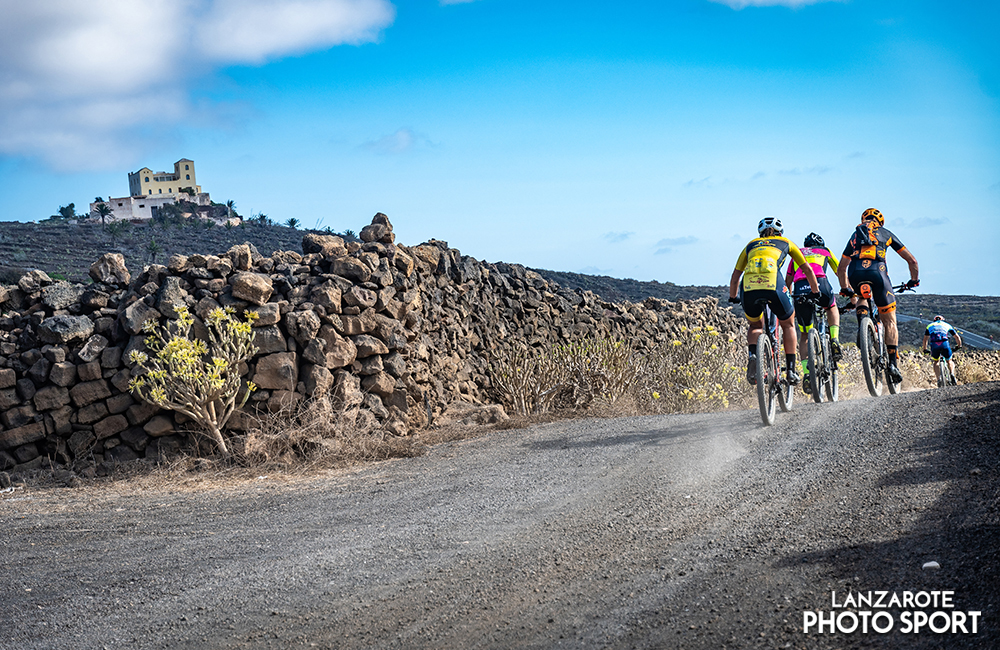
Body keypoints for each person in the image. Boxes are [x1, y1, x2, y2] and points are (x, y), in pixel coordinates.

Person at [729, 217, 820, 386]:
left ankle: (753, 356)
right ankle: (791, 370)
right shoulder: (786, 242)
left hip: (748, 287)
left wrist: (733, 296)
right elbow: (806, 268)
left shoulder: (751, 245)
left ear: (760, 233)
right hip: (773, 284)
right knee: (788, 324)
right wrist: (816, 290)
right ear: (780, 232)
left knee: (756, 326)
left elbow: (735, 277)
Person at [836, 207, 919, 384]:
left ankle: (862, 327)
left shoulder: (855, 235)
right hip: (878, 273)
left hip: (855, 273)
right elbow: (912, 261)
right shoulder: (886, 234)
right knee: (889, 320)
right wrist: (914, 280)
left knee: (861, 297)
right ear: (880, 222)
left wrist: (845, 288)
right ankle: (892, 364)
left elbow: (841, 268)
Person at [784, 233, 842, 392]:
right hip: (820, 284)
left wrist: (791, 302)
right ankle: (835, 339)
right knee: (831, 307)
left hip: (800, 288)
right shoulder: (825, 251)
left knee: (804, 334)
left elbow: (788, 281)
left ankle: (808, 375)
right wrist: (847, 290)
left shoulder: (797, 252)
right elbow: (840, 270)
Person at [922, 315, 962, 386]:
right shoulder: (947, 325)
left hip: (934, 345)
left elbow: (925, 339)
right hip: (944, 344)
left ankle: (938, 380)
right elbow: (957, 337)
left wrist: (925, 349)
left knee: (936, 362)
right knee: (949, 360)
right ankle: (952, 374)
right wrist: (959, 346)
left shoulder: (929, 326)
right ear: (942, 320)